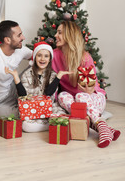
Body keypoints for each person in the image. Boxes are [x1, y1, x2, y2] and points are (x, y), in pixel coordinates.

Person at [52, 20, 121, 148]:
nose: (55, 35)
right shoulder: (54, 56)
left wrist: (89, 89)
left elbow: (92, 86)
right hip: (75, 102)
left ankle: (100, 125)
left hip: (92, 98)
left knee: (81, 97)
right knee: (62, 96)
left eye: (60, 32)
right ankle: (104, 128)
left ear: (69, 35)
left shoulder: (84, 57)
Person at [5, 41, 72, 132]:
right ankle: (51, 125)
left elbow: (48, 93)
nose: (42, 59)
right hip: (32, 109)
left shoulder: (53, 75)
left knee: (62, 117)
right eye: (39, 55)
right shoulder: (26, 74)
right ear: (35, 57)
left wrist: (58, 76)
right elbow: (23, 96)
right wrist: (16, 77)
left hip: (50, 108)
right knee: (26, 126)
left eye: (46, 56)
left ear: (49, 59)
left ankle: (50, 124)